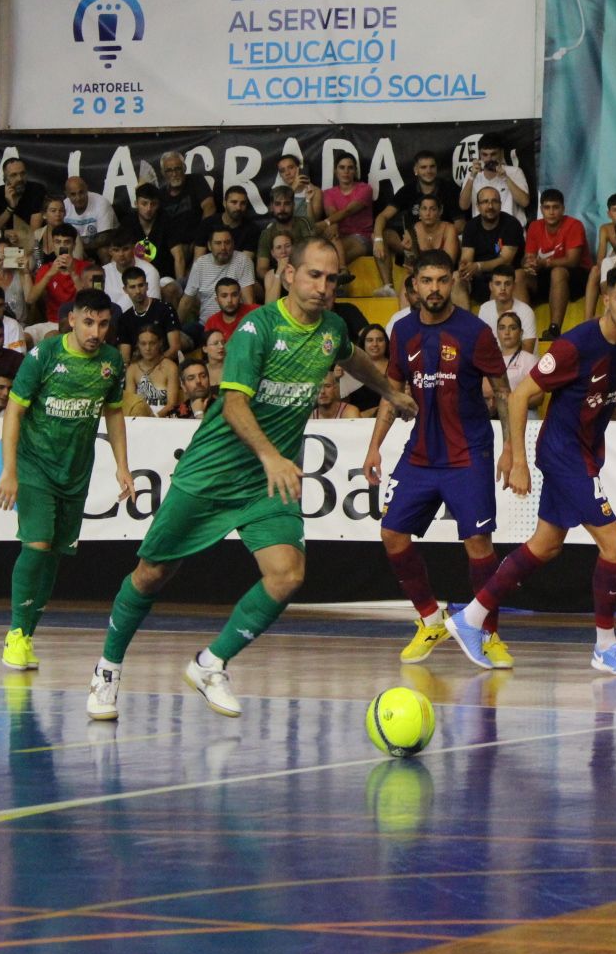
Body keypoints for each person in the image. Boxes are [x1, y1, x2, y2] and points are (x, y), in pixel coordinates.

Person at [84, 238, 412, 720]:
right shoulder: (257, 329)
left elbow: (349, 356)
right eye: (314, 275)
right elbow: (234, 404)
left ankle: (211, 663)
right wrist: (271, 457)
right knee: (153, 573)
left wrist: (388, 390)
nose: (323, 287)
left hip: (265, 483)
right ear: (290, 273)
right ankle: (107, 668)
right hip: (214, 470)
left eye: (331, 278)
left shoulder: (333, 328)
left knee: (288, 575)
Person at [451, 262, 616, 677]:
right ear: (606, 299)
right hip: (562, 453)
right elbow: (520, 397)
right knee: (615, 545)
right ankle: (605, 647)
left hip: (587, 451)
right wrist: (518, 460)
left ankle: (470, 618)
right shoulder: (575, 346)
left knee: (545, 545)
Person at [360, 252, 510, 665]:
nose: (435, 289)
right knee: (392, 534)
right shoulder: (403, 331)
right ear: (414, 284)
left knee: (478, 542)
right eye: (426, 281)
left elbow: (502, 392)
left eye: (442, 280)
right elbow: (391, 392)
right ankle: (431, 620)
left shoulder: (475, 332)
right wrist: (374, 445)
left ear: (452, 283)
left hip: (468, 453)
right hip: (421, 454)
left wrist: (512, 450)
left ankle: (488, 634)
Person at [375, 150, 463, 294]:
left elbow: (460, 224)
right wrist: (378, 238)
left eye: (432, 166)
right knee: (383, 235)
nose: (428, 171)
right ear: (416, 170)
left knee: (456, 240)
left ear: (437, 168)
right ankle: (388, 288)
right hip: (413, 244)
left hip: (442, 244)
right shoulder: (407, 191)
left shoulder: (449, 190)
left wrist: (440, 233)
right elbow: (382, 216)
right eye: (423, 167)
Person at [519, 187, 590, 340]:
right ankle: (523, 330)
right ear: (541, 209)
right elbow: (529, 256)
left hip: (576, 277)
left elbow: (573, 260)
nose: (551, 212)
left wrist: (544, 263)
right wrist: (529, 264)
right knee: (519, 274)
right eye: (547, 207)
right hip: (548, 276)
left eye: (556, 207)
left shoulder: (574, 225)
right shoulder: (535, 226)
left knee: (558, 271)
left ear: (563, 209)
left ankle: (554, 329)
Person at [457, 185, 523, 311]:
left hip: (504, 276)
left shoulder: (511, 224)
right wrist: (464, 266)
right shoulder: (471, 226)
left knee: (498, 280)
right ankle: (464, 325)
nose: (490, 206)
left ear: (500, 204)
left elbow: (506, 260)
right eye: (485, 202)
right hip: (478, 277)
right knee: (456, 278)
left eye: (494, 201)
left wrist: (478, 266)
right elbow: (466, 256)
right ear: (478, 206)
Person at [155, 152, 215, 283]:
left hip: (199, 243)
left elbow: (209, 207)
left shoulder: (196, 181)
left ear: (184, 168)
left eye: (177, 168)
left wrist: (200, 238)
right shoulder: (160, 195)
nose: (174, 174)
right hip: (173, 248)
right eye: (169, 170)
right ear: (163, 174)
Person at [179, 226, 258, 326]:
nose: (223, 248)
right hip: (205, 325)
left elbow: (249, 301)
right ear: (209, 246)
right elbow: (186, 302)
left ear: (233, 244)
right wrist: (176, 328)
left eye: (227, 242)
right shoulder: (200, 264)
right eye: (218, 243)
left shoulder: (243, 261)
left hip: (236, 326)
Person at [317, 153, 376, 281]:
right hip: (337, 235)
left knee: (330, 255)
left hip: (361, 237)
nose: (346, 171)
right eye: (342, 167)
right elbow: (332, 213)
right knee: (330, 247)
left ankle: (342, 273)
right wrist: (332, 224)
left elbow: (348, 211)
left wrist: (326, 223)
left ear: (355, 171)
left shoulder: (365, 189)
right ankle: (342, 274)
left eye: (350, 168)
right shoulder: (328, 193)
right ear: (335, 170)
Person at [457, 132, 530, 223]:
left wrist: (506, 178)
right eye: (485, 155)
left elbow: (525, 202)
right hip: (483, 230)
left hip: (511, 229)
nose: (489, 159)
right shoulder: (472, 175)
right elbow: (463, 206)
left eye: (493, 154)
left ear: (501, 153)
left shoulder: (515, 172)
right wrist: (472, 177)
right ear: (479, 154)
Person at [255, 184, 315, 291]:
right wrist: (281, 279)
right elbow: (261, 269)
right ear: (272, 207)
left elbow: (314, 254)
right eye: (278, 204)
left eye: (287, 203)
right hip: (279, 283)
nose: (282, 208)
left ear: (293, 205)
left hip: (306, 279)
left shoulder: (304, 223)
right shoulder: (267, 234)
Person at [0, 156, 49, 250]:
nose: (19, 178)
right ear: (5, 179)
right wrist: (10, 208)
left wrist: (5, 233)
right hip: (8, 244)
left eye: (22, 173)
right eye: (13, 175)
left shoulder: (36, 190)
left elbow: (34, 231)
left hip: (34, 245)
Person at [122, 325, 180, 416]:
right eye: (143, 344)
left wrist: (155, 417)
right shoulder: (132, 369)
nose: (148, 348)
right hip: (139, 419)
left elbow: (172, 403)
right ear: (138, 345)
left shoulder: (170, 367)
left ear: (160, 343)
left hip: (165, 419)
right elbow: (131, 403)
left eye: (152, 343)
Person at [196, 185, 261, 261]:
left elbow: (244, 263)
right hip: (208, 271)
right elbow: (198, 260)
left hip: (236, 272)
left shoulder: (252, 230)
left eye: (243, 203)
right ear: (224, 203)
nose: (238, 207)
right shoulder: (207, 224)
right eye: (234, 202)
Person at [338, 323, 390, 413]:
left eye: (380, 340)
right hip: (358, 422)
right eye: (370, 340)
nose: (375, 344)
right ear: (363, 344)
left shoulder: (397, 366)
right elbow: (343, 405)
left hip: (392, 420)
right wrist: (336, 380)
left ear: (386, 343)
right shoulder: (350, 368)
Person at [483, 268, 536, 351]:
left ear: (514, 286)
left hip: (523, 362)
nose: (503, 288)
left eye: (507, 284)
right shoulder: (484, 309)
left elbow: (528, 351)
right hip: (495, 362)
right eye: (498, 283)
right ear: (491, 286)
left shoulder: (526, 311)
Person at [60, 175, 117, 245]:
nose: (78, 198)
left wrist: (80, 248)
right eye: (73, 194)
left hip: (99, 245)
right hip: (74, 246)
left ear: (86, 188)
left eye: (81, 192)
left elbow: (105, 237)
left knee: (103, 251)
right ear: (67, 194)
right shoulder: (64, 205)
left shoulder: (101, 203)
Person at [496, 311, 536, 393]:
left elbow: (539, 397)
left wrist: (511, 400)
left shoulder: (530, 360)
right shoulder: (490, 360)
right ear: (497, 332)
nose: (507, 332)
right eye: (502, 328)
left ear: (521, 333)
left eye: (513, 328)